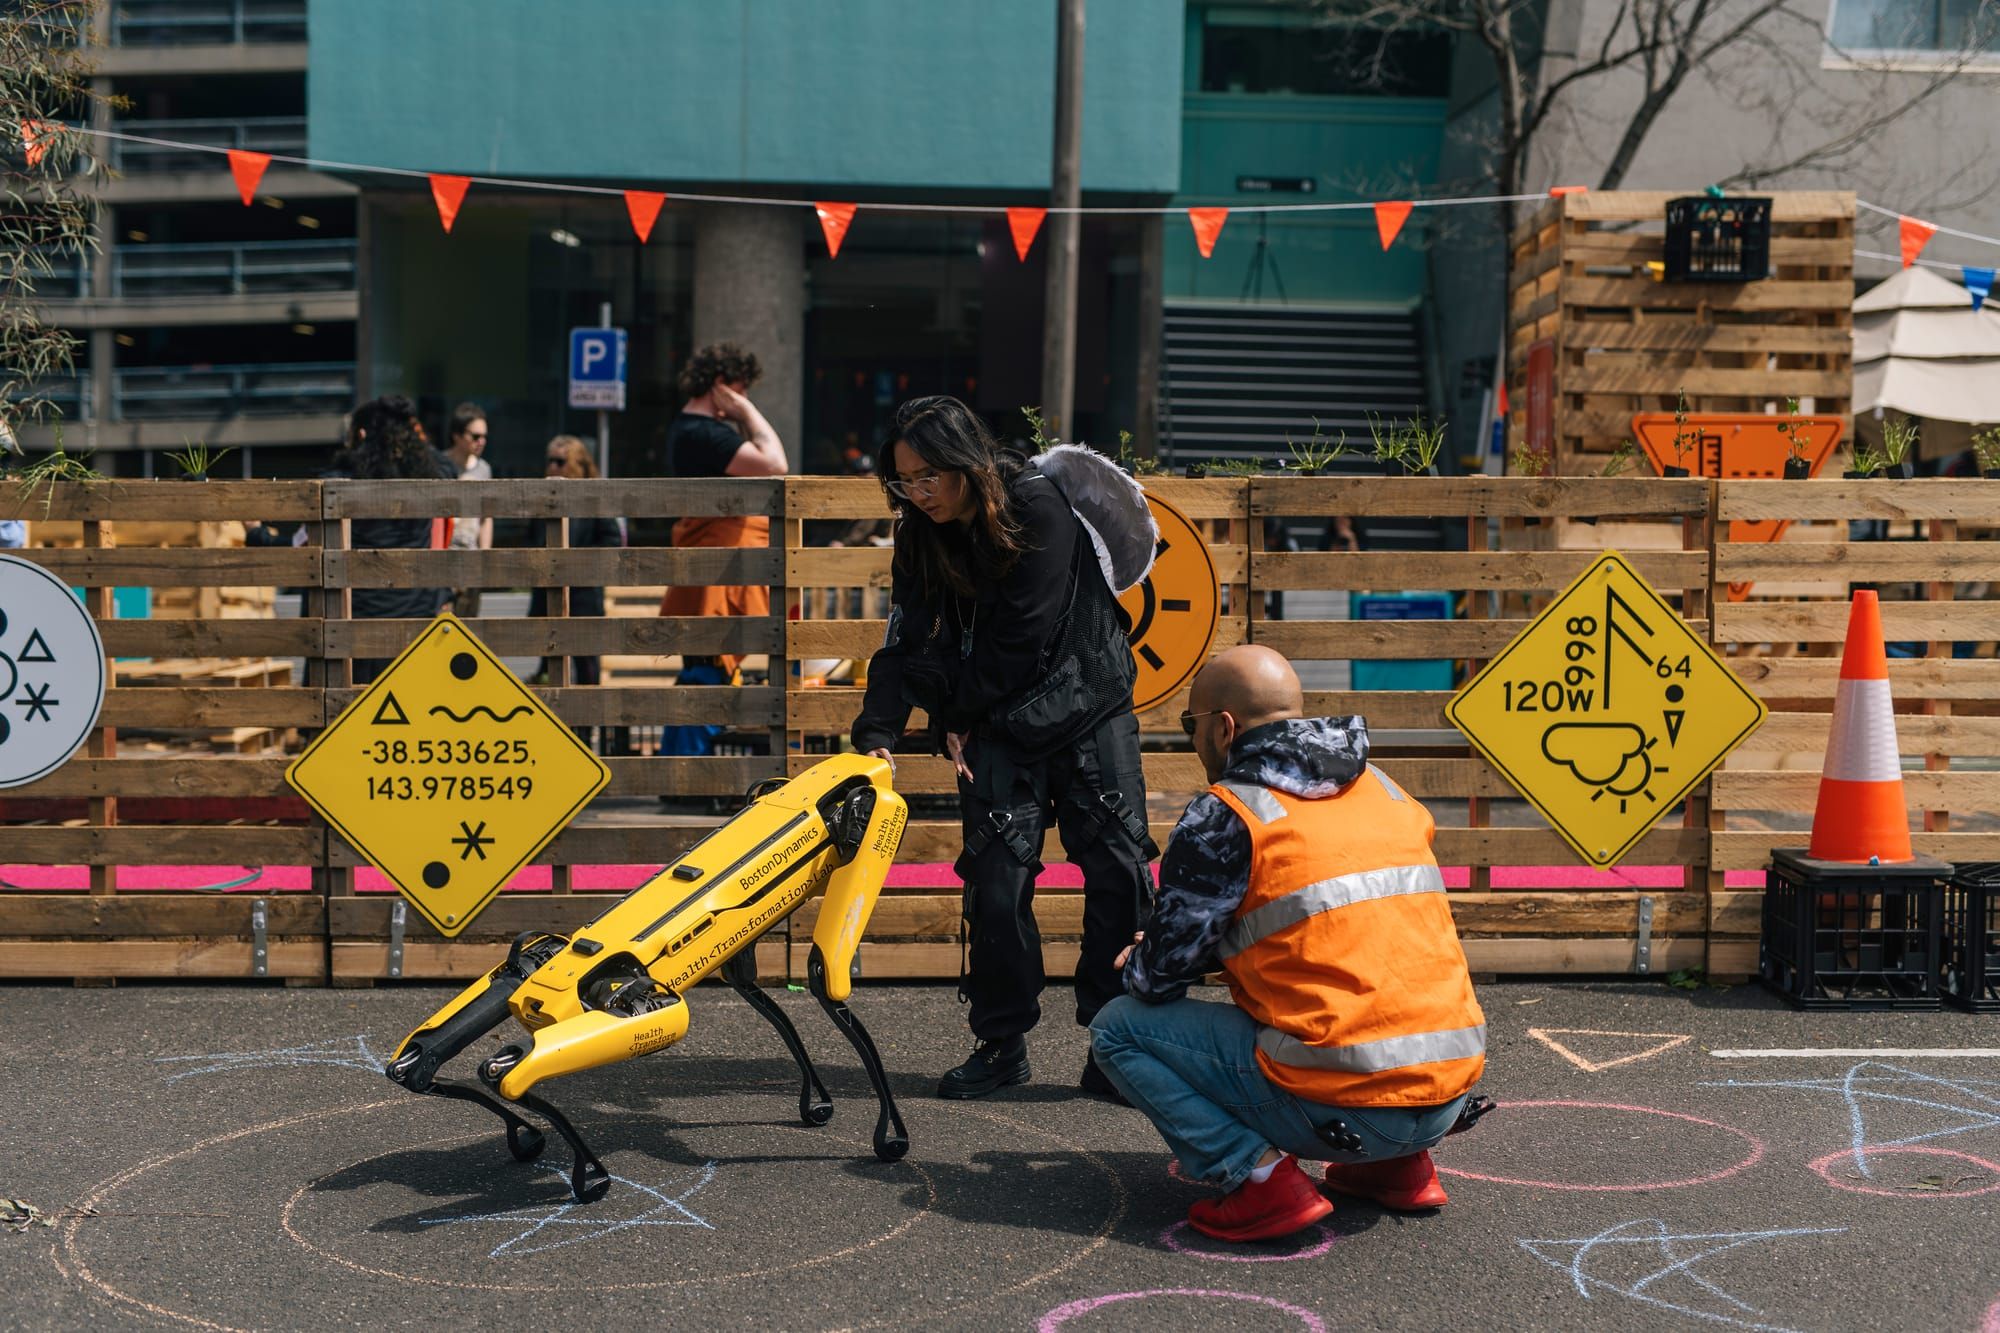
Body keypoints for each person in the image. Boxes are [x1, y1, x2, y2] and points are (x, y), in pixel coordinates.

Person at [1089, 644, 1488, 1243]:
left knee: (1117, 1027)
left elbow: (1157, 979)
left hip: (1341, 1103)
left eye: (1189, 726)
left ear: (1223, 728)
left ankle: (1257, 1182)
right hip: (1444, 1094)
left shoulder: (1227, 815)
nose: (1191, 742)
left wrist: (1155, 951)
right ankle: (1396, 1167)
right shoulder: (1385, 790)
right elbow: (1352, 936)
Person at [852, 395, 1160, 1101]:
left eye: (930, 474)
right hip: (994, 720)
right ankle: (1001, 1042)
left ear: (966, 459)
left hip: (1087, 701)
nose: (919, 493)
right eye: (904, 480)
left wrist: (953, 713)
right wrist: (876, 732)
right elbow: (907, 634)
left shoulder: (1035, 506)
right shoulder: (917, 534)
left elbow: (1026, 633)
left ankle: (1118, 1042)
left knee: (1116, 867)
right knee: (995, 883)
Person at [658, 343, 788, 757]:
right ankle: (687, 770)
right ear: (720, 386)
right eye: (740, 388)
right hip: (717, 565)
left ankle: (684, 767)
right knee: (709, 665)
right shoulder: (705, 433)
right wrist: (749, 415)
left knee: (705, 663)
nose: (745, 398)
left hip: (710, 563)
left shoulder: (687, 429)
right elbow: (775, 464)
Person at [327, 395, 456, 684]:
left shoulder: (343, 478)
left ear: (360, 435)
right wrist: (410, 437)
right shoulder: (428, 476)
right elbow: (446, 464)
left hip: (359, 620)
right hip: (416, 618)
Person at [529, 435, 626, 687]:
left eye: (560, 461)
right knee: (548, 661)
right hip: (547, 593)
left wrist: (575, 564)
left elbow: (612, 541)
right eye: (550, 460)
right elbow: (532, 541)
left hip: (583, 595)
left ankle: (585, 726)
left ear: (578, 465)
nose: (553, 467)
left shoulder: (593, 499)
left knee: (586, 663)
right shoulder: (543, 498)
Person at [443, 401, 494, 617]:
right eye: (475, 436)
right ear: (457, 435)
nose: (480, 442)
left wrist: (485, 555)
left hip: (471, 554)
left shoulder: (484, 469)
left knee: (469, 619)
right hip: (444, 556)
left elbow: (486, 517)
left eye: (484, 437)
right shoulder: (441, 465)